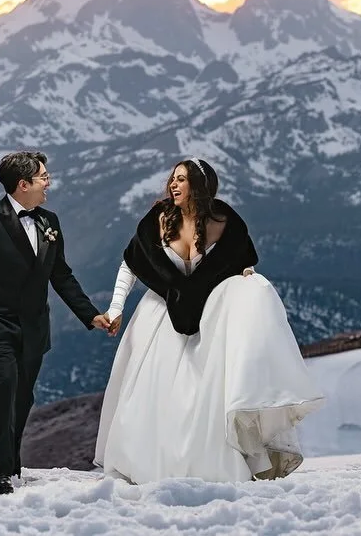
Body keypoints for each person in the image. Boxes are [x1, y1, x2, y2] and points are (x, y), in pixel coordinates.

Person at [94, 157, 325, 484]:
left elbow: (237, 264)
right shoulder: (159, 220)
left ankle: (207, 466)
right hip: (160, 317)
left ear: (199, 187)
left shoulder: (225, 222)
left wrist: (245, 281)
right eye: (172, 179)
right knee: (154, 396)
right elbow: (131, 264)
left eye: (181, 180)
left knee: (204, 397)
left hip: (210, 317)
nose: (173, 185)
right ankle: (155, 467)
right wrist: (116, 309)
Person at [0, 150, 113, 496]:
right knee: (5, 385)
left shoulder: (50, 222)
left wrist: (90, 313)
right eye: (43, 178)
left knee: (23, 397)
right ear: (23, 184)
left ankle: (12, 462)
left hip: (34, 328)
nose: (48, 183)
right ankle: (0, 473)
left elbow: (60, 275)